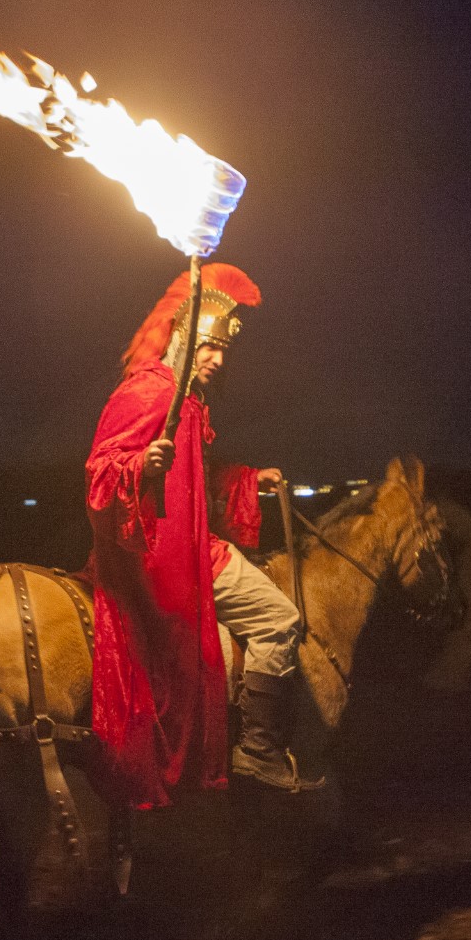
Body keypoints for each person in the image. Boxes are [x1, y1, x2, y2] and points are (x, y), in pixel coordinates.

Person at [84, 263, 318, 810]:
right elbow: (100, 471)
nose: (216, 359)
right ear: (182, 340)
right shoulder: (148, 393)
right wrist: (141, 463)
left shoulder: (187, 401)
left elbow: (194, 479)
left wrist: (244, 480)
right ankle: (258, 750)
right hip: (165, 553)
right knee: (281, 621)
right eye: (208, 347)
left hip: (190, 541)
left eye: (222, 350)